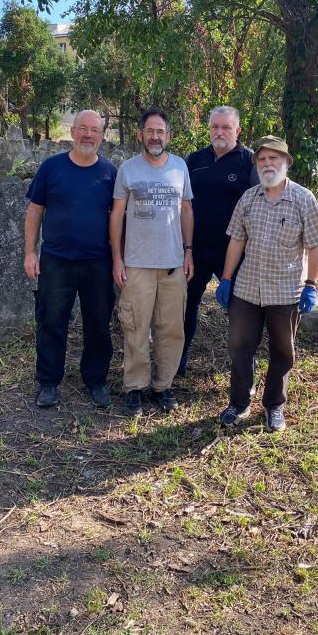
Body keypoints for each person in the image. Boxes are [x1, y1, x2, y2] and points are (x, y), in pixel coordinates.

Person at [216, 136, 318, 433]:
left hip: (286, 290)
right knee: (240, 348)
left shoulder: (304, 199)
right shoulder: (249, 198)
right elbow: (237, 240)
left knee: (282, 351)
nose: (267, 164)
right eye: (262, 160)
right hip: (247, 288)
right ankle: (239, 402)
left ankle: (275, 405)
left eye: (273, 159)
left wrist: (311, 285)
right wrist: (226, 279)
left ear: (285, 163)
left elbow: (316, 246)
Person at [24, 110, 116, 409]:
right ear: (72, 132)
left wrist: (119, 259)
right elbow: (35, 211)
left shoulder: (111, 173)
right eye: (83, 129)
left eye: (95, 130)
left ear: (102, 135)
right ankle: (48, 382)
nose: (88, 135)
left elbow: (118, 219)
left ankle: (96, 380)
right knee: (51, 321)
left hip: (98, 262)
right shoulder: (52, 168)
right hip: (56, 260)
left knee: (98, 324)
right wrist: (30, 252)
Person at [110, 108, 194, 417]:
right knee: (135, 326)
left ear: (168, 136)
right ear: (140, 134)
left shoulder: (180, 167)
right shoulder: (128, 169)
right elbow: (117, 215)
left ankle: (163, 385)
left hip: (173, 264)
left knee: (171, 329)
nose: (155, 136)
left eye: (161, 131)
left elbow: (186, 211)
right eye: (150, 131)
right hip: (136, 264)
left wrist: (188, 251)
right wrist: (117, 259)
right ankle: (135, 386)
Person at [179, 105, 258, 376]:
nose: (219, 132)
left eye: (226, 127)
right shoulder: (194, 160)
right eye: (215, 126)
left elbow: (259, 207)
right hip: (196, 250)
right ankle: (178, 362)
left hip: (234, 253)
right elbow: (182, 203)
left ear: (237, 130)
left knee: (240, 314)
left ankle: (244, 370)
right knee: (186, 307)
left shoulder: (249, 162)